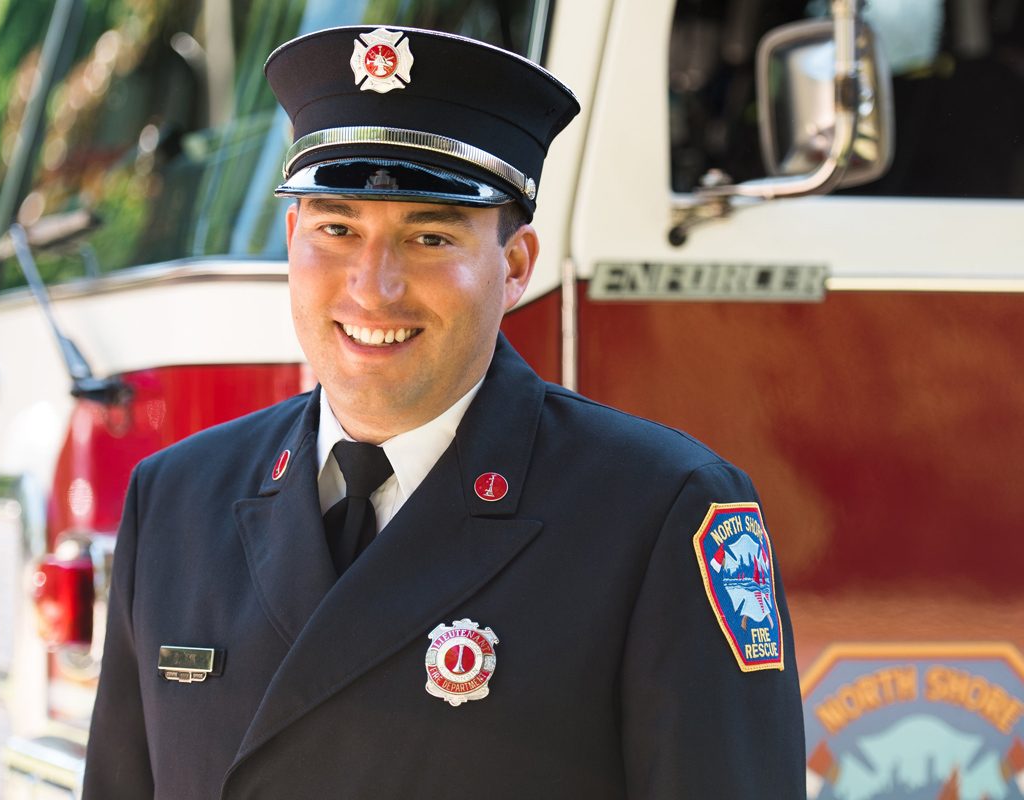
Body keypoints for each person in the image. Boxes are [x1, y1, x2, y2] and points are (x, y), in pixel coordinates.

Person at [83, 25, 806, 799]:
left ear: (515, 266)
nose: (374, 287)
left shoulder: (659, 513)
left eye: (430, 236)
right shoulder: (175, 503)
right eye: (336, 229)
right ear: (292, 238)